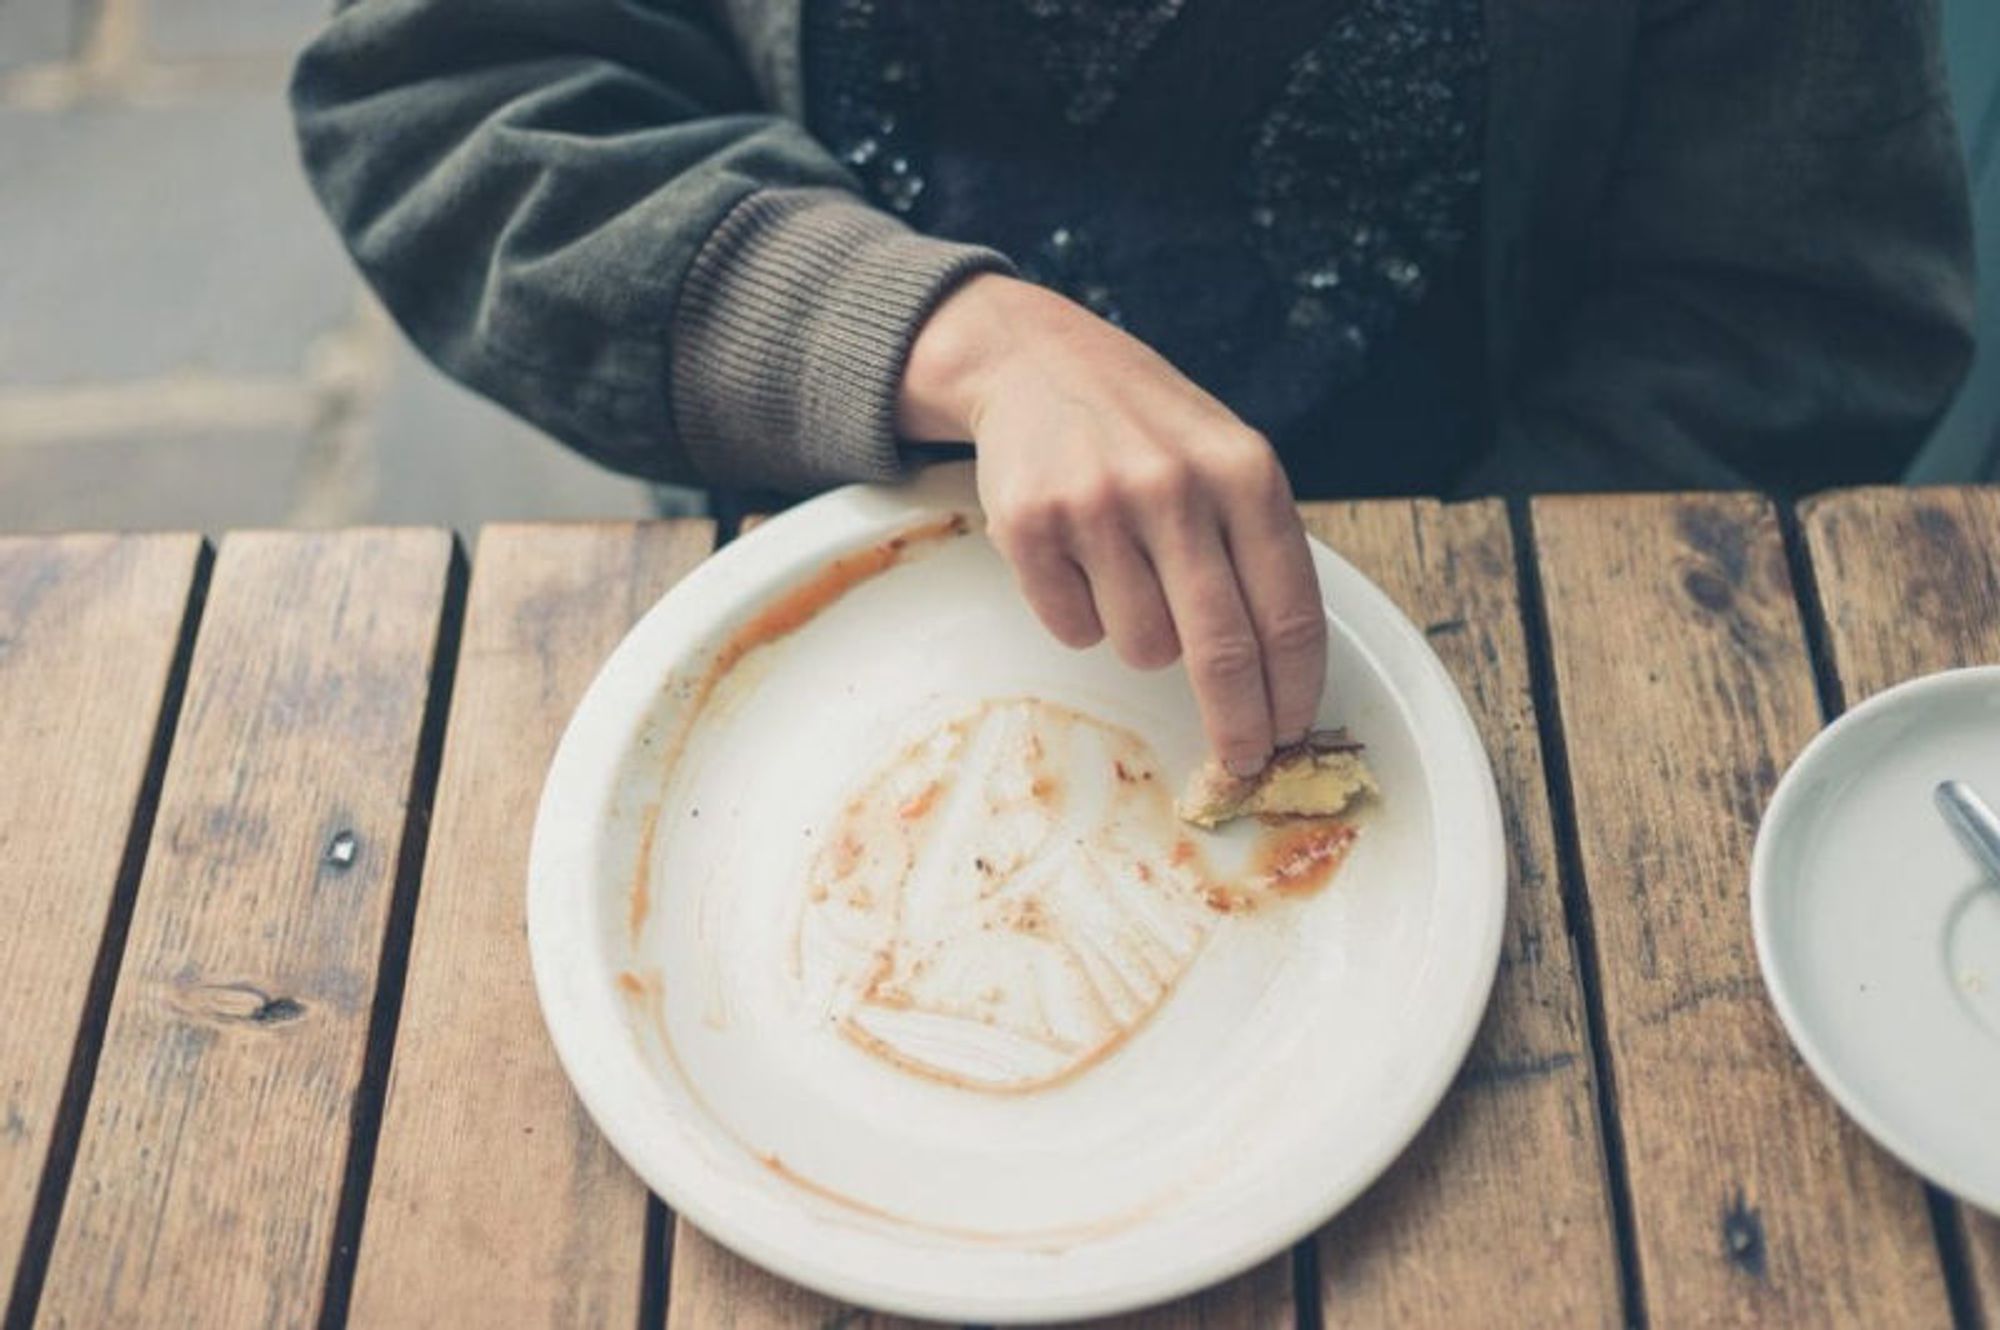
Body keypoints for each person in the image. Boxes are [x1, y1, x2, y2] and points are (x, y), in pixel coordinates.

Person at [290, 0, 1974, 779]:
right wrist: (953, 334)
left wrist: (1445, 619)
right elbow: (453, 92)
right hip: (822, 556)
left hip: (1487, 622)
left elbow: (1794, 301)